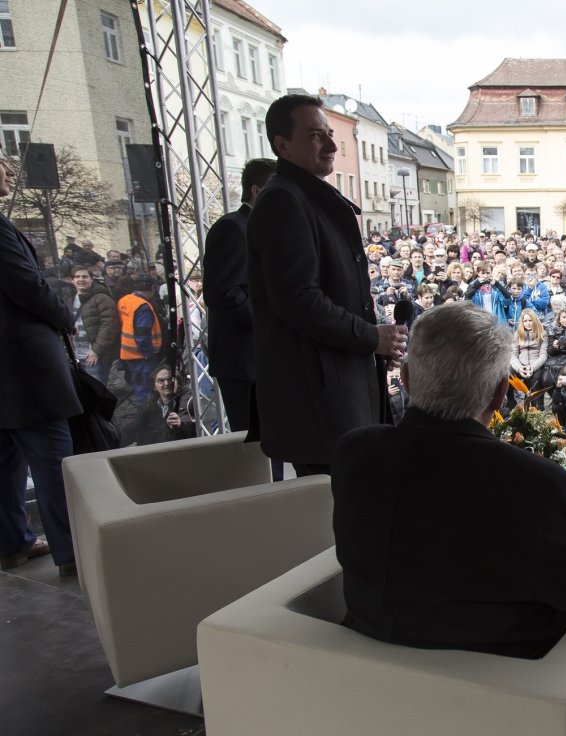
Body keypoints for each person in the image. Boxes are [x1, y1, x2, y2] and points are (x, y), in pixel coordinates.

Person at [331, 303, 566, 658]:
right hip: (498, 690)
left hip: (360, 672)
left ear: (404, 379)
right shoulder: (534, 483)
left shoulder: (353, 453)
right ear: (500, 395)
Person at [246, 94, 405, 475]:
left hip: (335, 392)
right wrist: (371, 337)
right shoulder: (283, 201)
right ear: (282, 144)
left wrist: (373, 341)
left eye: (330, 134)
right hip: (318, 404)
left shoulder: (305, 196)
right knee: (334, 517)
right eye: (316, 135)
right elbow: (298, 300)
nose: (332, 145)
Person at [0, 159, 81, 577]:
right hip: (23, 367)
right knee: (53, 460)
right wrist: (65, 316)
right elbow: (27, 285)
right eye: (0, 160)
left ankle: (12, 542)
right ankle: (73, 552)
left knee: (7, 461)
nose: (10, 169)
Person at [203, 158, 275, 433]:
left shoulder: (259, 228)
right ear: (257, 191)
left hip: (261, 358)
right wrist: (269, 321)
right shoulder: (233, 228)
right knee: (256, 447)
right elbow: (223, 293)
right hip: (243, 361)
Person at [67, 263, 118, 383]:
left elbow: (110, 326)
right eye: (77, 277)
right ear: (72, 280)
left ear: (91, 279)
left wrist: (96, 350)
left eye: (84, 277)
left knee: (97, 392)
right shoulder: (69, 298)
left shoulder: (101, 298)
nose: (81, 280)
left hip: (94, 357)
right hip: (75, 356)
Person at [117, 274, 163, 406]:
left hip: (127, 351)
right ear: (153, 288)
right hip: (141, 355)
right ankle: (146, 415)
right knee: (145, 387)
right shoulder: (143, 306)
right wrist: (148, 354)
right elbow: (142, 333)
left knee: (138, 384)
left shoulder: (125, 300)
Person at [127, 366, 197, 445]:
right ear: (154, 386)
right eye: (161, 381)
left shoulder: (187, 400)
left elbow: (189, 424)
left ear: (178, 382)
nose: (166, 384)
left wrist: (180, 425)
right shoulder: (150, 404)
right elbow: (134, 427)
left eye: (170, 379)